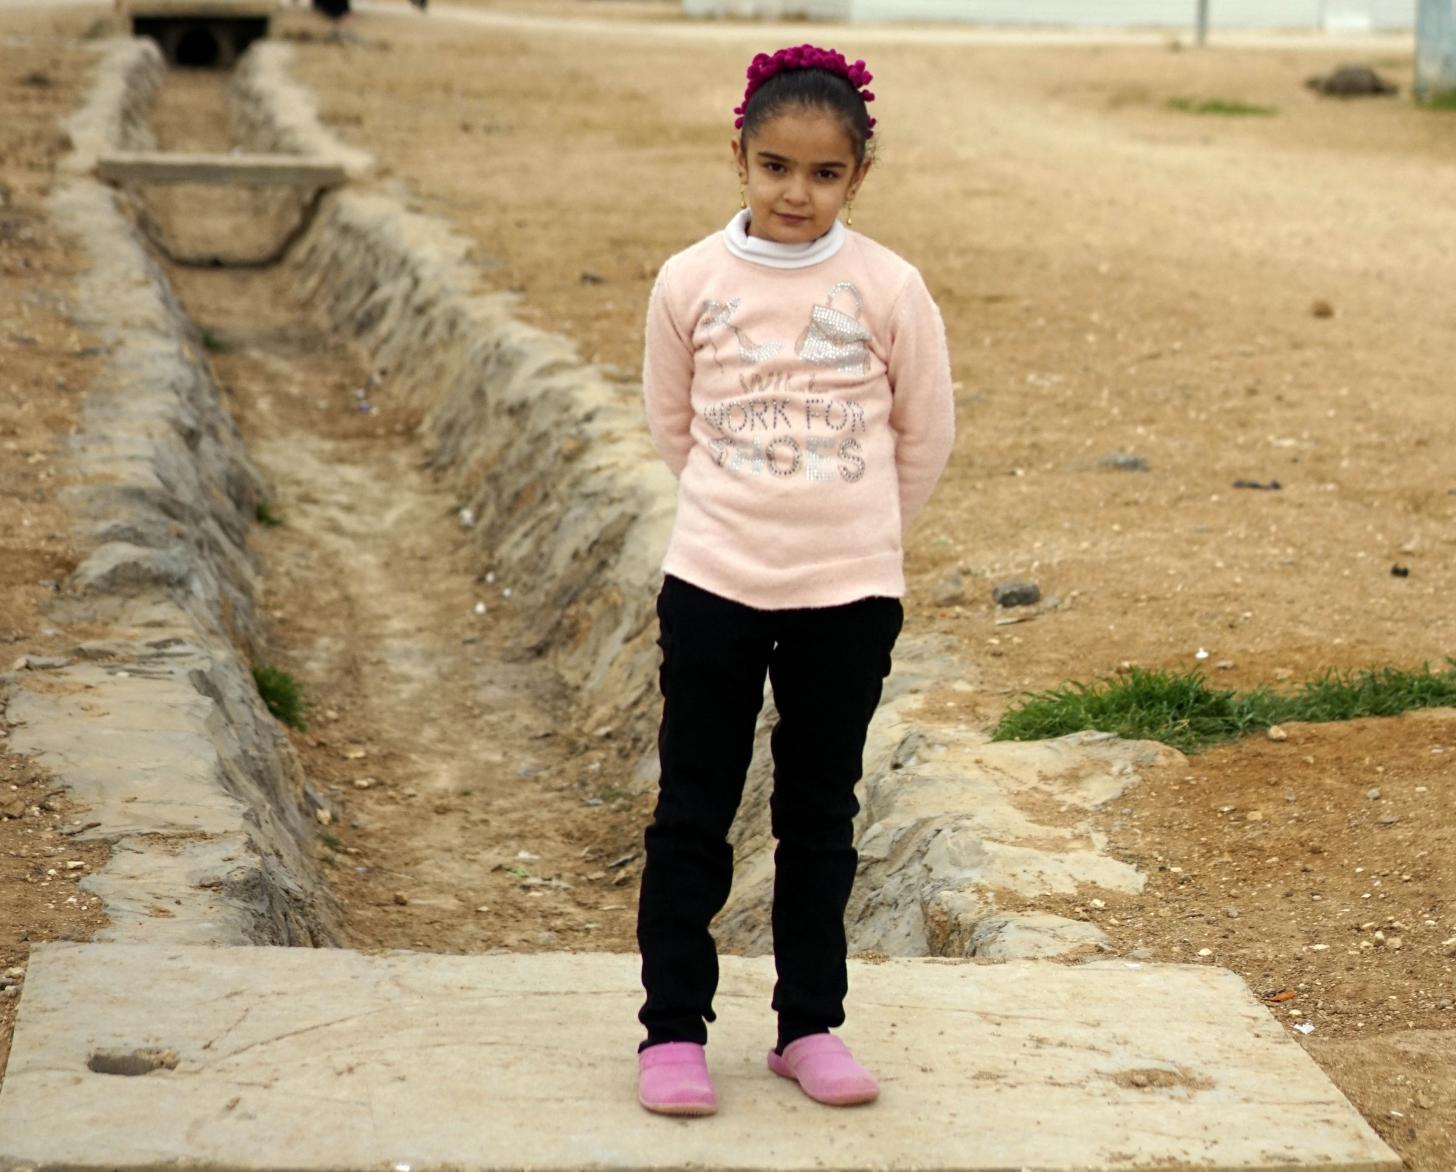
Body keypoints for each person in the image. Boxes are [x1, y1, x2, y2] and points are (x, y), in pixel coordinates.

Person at [635, 43, 955, 1117]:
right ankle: (672, 1029)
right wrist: (745, 516)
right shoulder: (688, 280)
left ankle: (808, 1024)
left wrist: (856, 531)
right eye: (775, 167)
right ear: (738, 155)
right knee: (694, 809)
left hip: (848, 596)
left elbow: (925, 431)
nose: (796, 193)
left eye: (823, 175)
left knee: (819, 814)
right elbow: (672, 423)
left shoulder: (887, 286)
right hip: (714, 582)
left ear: (857, 175)